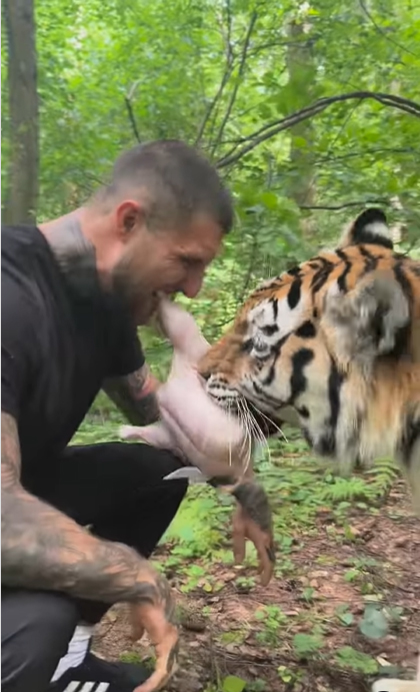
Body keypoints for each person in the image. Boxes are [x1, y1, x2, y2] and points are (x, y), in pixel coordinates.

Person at [1, 140, 234, 692]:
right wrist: (136, 577)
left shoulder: (102, 298)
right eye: (187, 260)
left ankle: (69, 661)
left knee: (157, 473)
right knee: (37, 622)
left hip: (17, 488)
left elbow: (166, 418)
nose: (194, 287)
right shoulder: (8, 297)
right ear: (130, 220)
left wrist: (244, 491)